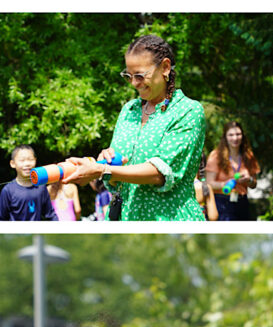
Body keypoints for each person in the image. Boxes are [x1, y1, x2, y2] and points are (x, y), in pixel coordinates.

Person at [62, 35, 206, 221]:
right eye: (128, 76)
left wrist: (102, 170)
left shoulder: (188, 111)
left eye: (140, 75)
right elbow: (115, 177)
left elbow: (159, 174)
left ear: (165, 67)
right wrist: (105, 161)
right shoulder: (129, 110)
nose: (134, 83)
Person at [206, 122, 260, 221]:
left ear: (242, 136)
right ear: (225, 137)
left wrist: (249, 180)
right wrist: (225, 184)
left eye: (238, 134)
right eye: (231, 135)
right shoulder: (216, 155)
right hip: (221, 202)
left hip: (242, 202)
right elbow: (208, 184)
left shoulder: (248, 156)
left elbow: (254, 184)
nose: (235, 138)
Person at [0, 145, 57, 221]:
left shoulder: (41, 187)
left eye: (30, 159)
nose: (27, 164)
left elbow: (50, 215)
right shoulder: (8, 190)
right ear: (13, 164)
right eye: (22, 160)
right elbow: (0, 218)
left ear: (35, 160)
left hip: (36, 233)